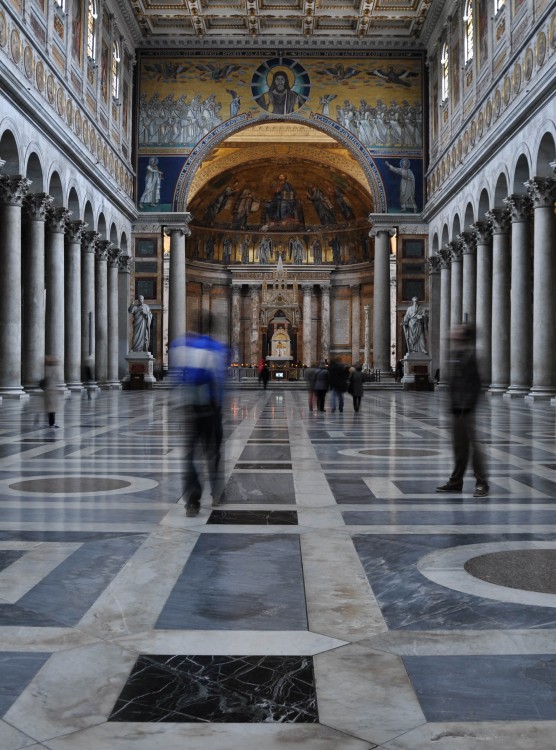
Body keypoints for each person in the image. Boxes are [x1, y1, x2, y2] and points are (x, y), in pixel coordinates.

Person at [170, 312, 227, 517]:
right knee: (213, 451)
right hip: (211, 409)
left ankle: (193, 500)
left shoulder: (182, 345)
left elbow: (176, 377)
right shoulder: (215, 347)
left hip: (189, 409)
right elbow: (219, 380)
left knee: (189, 455)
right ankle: (217, 489)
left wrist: (177, 405)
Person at [436, 324, 489, 498]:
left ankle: (482, 483)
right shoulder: (455, 354)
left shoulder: (471, 355)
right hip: (456, 408)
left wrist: (468, 405)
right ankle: (455, 481)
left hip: (467, 409)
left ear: (463, 336)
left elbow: (476, 384)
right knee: (459, 448)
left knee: (474, 447)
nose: (452, 331)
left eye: (457, 330)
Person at [43, 355, 62, 428]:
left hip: (51, 392)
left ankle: (52, 422)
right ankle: (52, 423)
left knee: (51, 409)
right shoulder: (49, 369)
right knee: (51, 408)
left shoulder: (49, 369)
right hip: (50, 392)